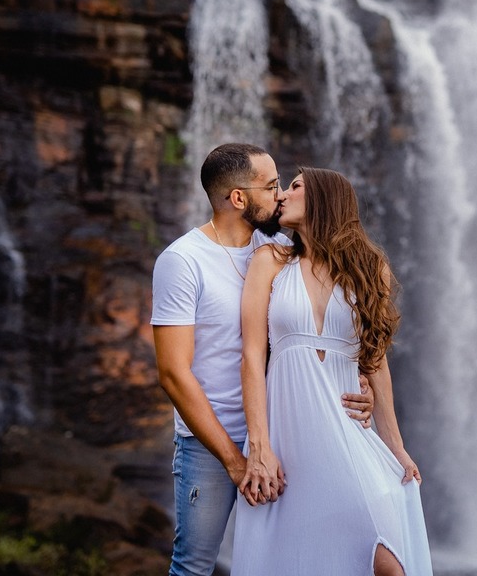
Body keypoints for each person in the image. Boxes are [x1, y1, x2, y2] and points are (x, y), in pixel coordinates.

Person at [151, 144, 374, 576]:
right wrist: (237, 461)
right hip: (210, 448)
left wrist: (358, 382)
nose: (281, 195)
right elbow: (173, 374)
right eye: (272, 186)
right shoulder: (183, 261)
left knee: (296, 559)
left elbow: (327, 325)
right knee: (194, 565)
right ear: (238, 198)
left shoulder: (279, 251)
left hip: (286, 437)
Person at [232, 167, 432, 576]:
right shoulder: (269, 261)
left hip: (347, 428)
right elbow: (252, 356)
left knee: (388, 560)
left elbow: (375, 361)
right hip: (289, 437)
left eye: (295, 186)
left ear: (324, 198)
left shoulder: (369, 268)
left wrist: (396, 445)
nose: (282, 195)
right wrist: (259, 446)